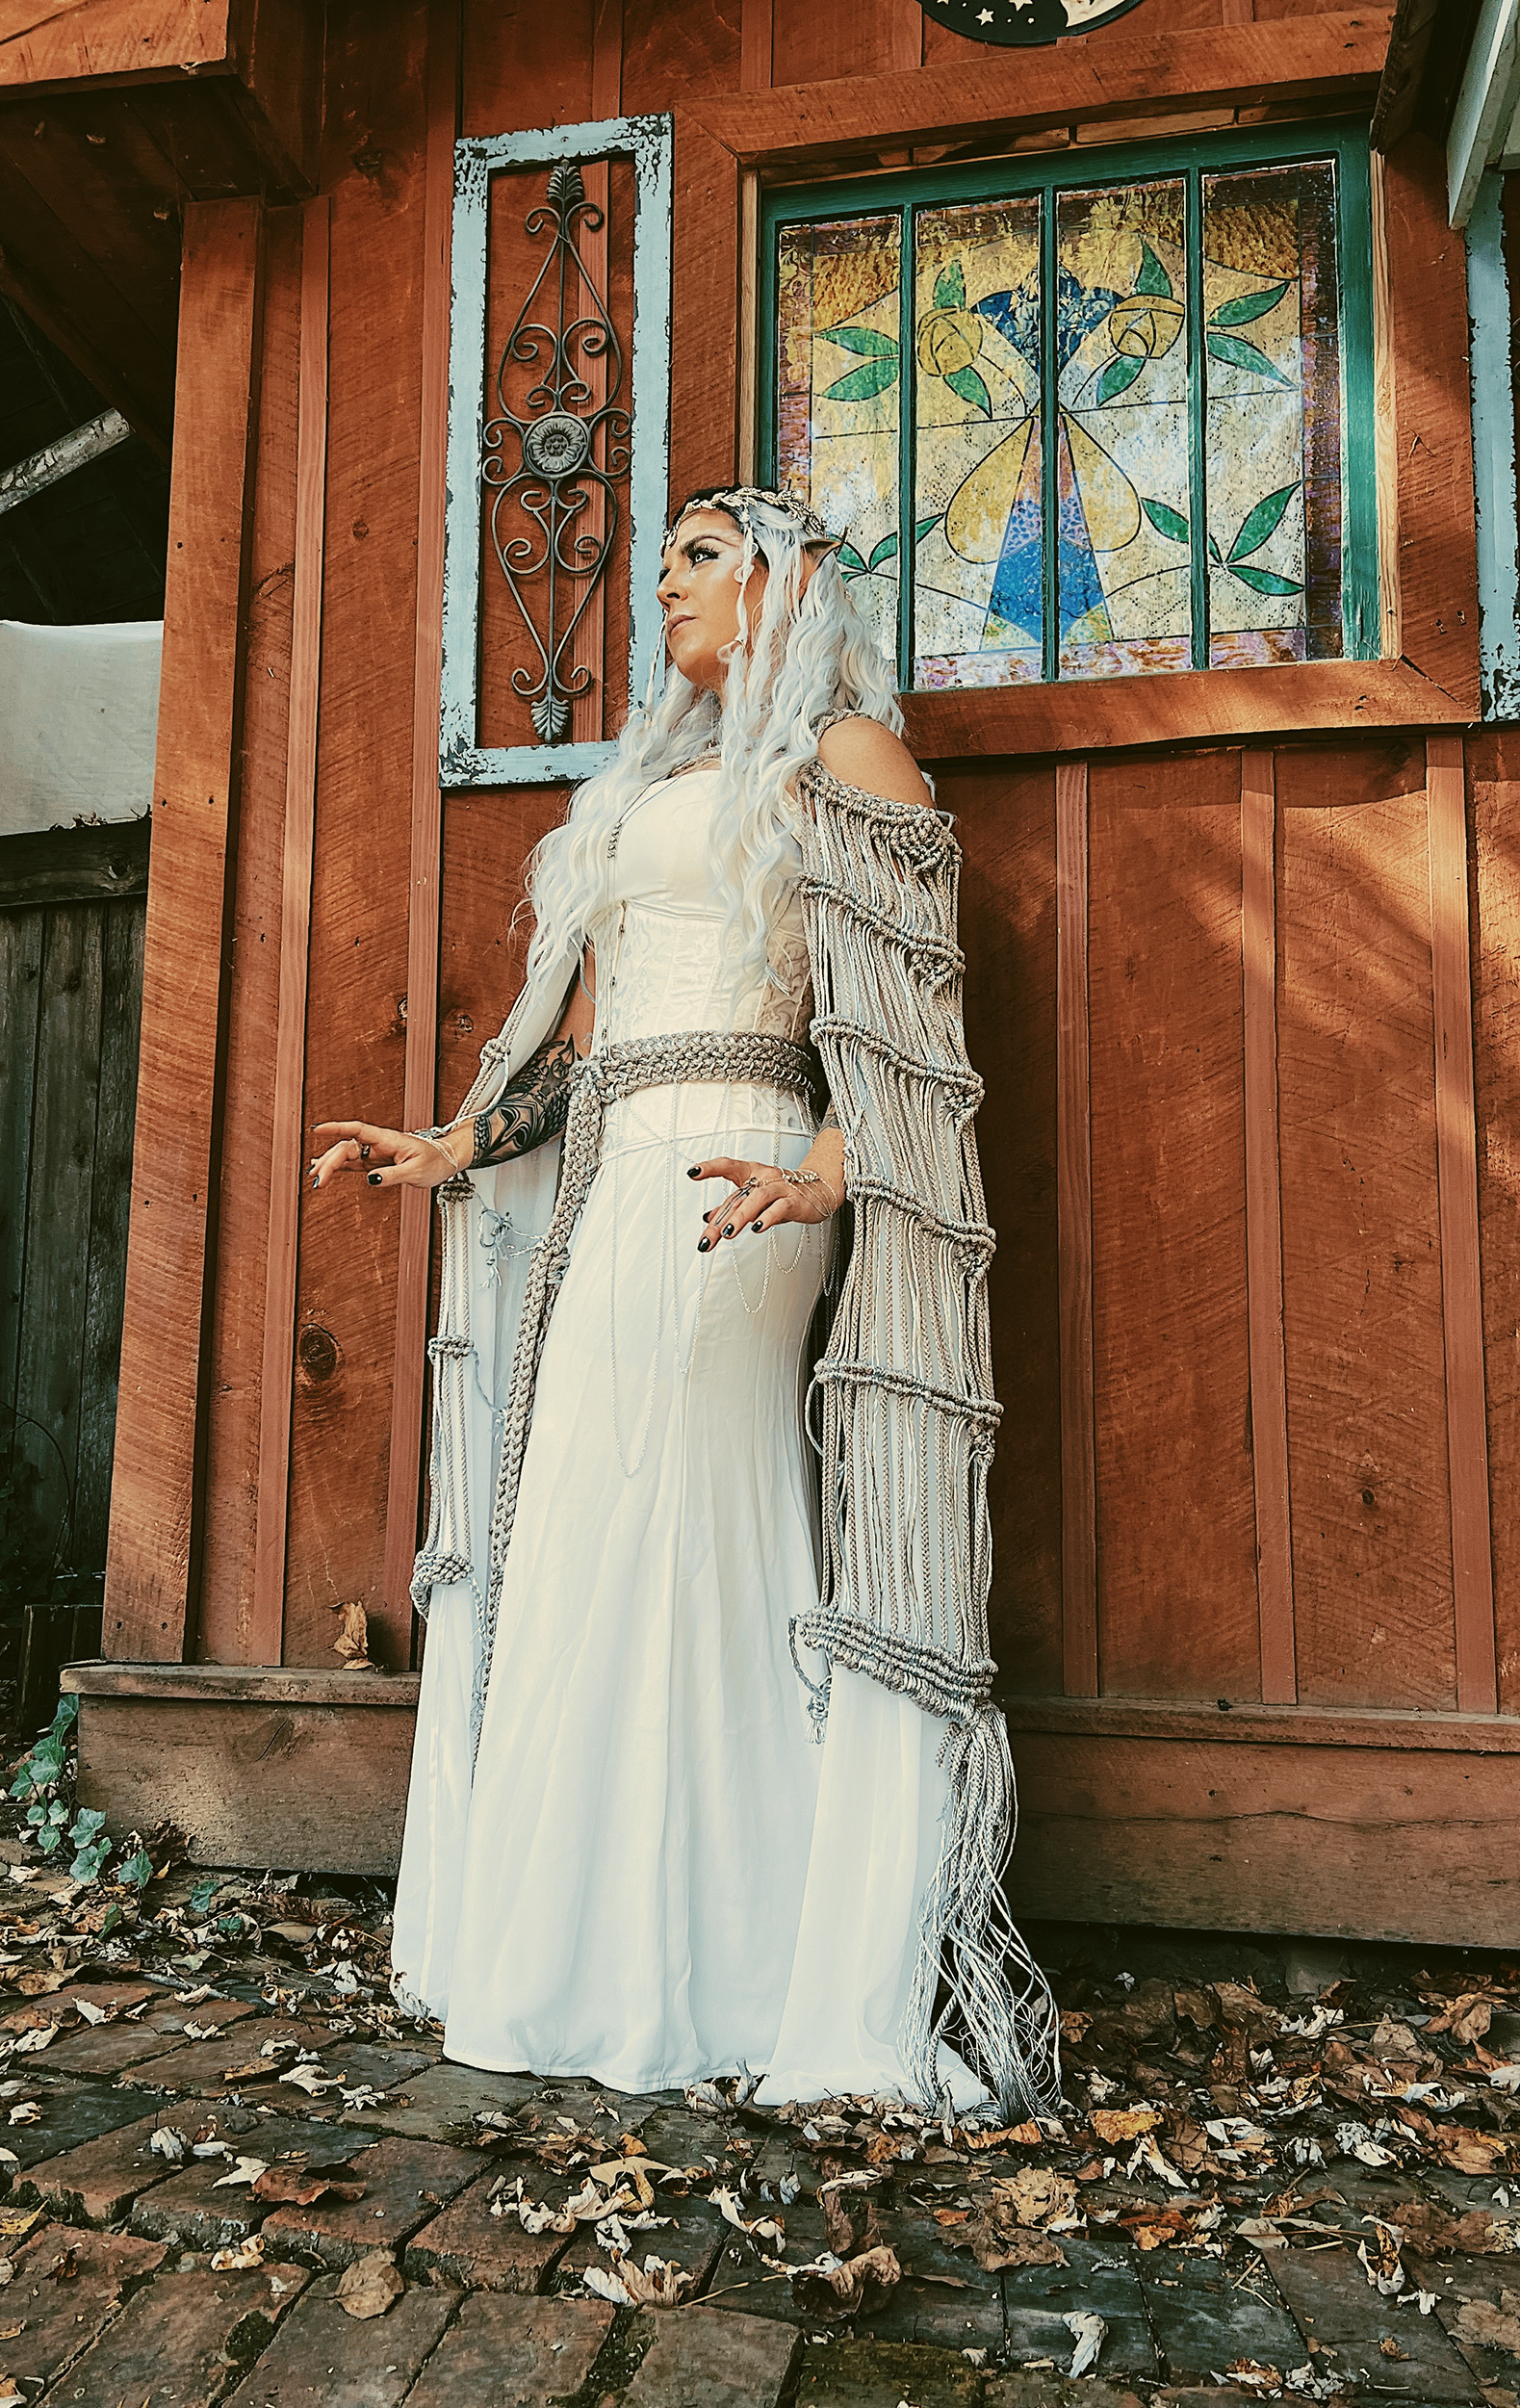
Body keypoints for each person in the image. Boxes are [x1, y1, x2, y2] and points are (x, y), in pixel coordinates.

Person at [309, 485, 1058, 2119]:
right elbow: (580, 1045)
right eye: (661, 567)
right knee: (585, 1524)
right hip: (615, 1175)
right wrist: (450, 1146)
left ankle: (746, 1963)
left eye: (703, 559)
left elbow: (907, 1019)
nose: (668, 589)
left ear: (791, 581)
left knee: (703, 1524)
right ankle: (582, 1955)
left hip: (743, 1172)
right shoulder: (649, 782)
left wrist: (835, 1169)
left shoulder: (849, 757)